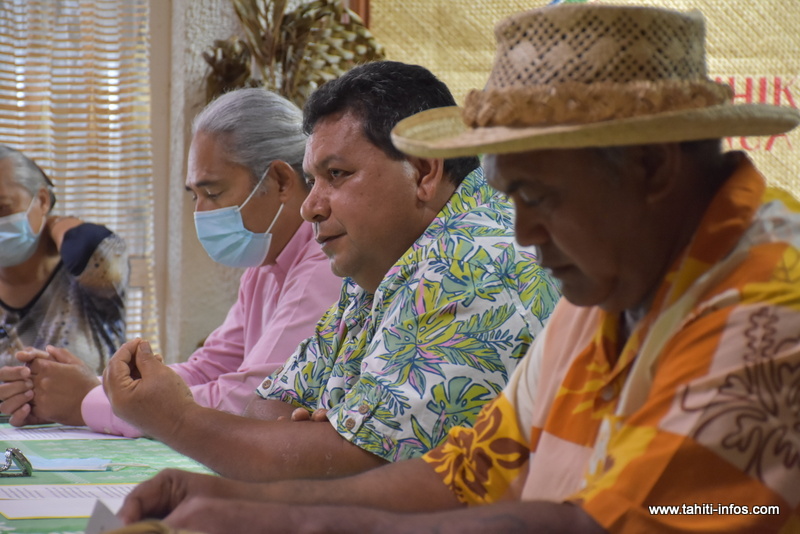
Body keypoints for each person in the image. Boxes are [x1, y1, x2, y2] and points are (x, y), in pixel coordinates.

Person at [115, 4, 800, 533]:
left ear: (652, 168)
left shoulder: (770, 309)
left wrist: (293, 517)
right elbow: (470, 474)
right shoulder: (611, 286)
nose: (524, 236)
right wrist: (228, 493)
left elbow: (598, 525)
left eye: (538, 197)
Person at [98, 60, 560, 482]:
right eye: (313, 179)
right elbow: (267, 405)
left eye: (336, 175)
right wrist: (318, 440)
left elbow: (359, 468)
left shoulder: (473, 263)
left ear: (423, 172)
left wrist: (178, 419)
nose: (311, 208)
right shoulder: (382, 261)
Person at [0, 88, 342, 433]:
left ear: (280, 180)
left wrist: (88, 402)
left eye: (213, 193)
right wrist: (93, 389)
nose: (200, 213)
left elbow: (251, 401)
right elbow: (209, 368)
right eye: (195, 195)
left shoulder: (323, 265)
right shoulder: (266, 264)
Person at [0, 145, 126, 374]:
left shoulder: (87, 270)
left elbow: (93, 245)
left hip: (92, 409)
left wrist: (58, 224)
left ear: (42, 200)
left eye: (2, 208)